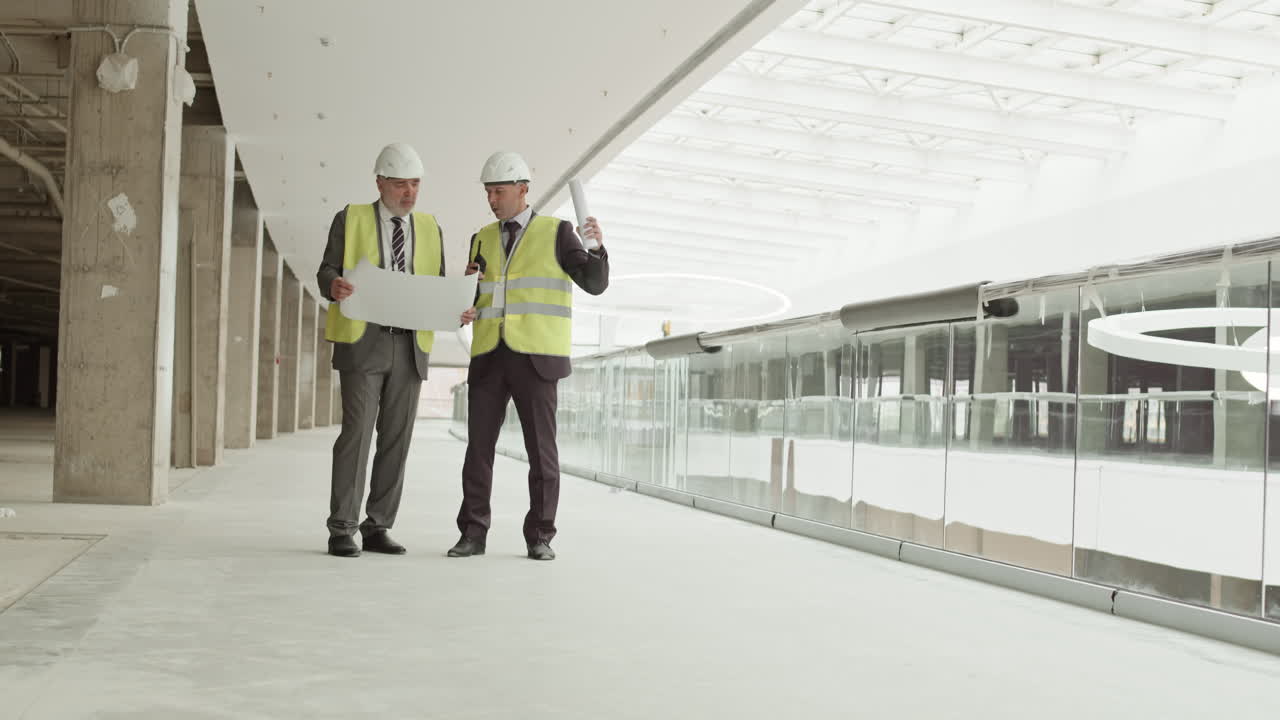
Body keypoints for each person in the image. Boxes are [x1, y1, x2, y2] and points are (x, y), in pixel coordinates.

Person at [448, 151, 609, 561]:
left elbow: (594, 284)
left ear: (523, 190)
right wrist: (463, 306)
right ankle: (473, 533)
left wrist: (598, 249)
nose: (492, 200)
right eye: (488, 192)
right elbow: (473, 294)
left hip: (536, 357)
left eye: (499, 191)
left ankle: (540, 535)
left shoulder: (557, 232)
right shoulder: (481, 237)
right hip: (488, 353)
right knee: (478, 450)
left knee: (541, 452)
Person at [316, 142, 474, 558]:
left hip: (410, 346)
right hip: (363, 341)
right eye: (401, 184)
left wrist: (456, 305)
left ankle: (378, 525)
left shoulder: (428, 226)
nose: (409, 193)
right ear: (380, 182)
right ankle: (342, 527)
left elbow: (434, 285)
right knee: (357, 435)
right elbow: (326, 269)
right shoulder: (349, 218)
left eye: (416, 184)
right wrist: (333, 285)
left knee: (396, 440)